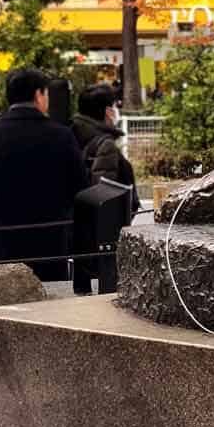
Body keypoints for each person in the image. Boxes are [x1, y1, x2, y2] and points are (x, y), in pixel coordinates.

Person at [0, 68, 87, 281]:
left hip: (2, 238)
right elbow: (79, 187)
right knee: (50, 298)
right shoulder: (61, 136)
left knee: (2, 296)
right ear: (38, 95)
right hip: (49, 239)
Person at [71, 83, 139, 295]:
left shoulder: (71, 135)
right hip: (99, 240)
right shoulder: (105, 144)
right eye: (114, 106)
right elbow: (106, 196)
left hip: (77, 232)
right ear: (107, 111)